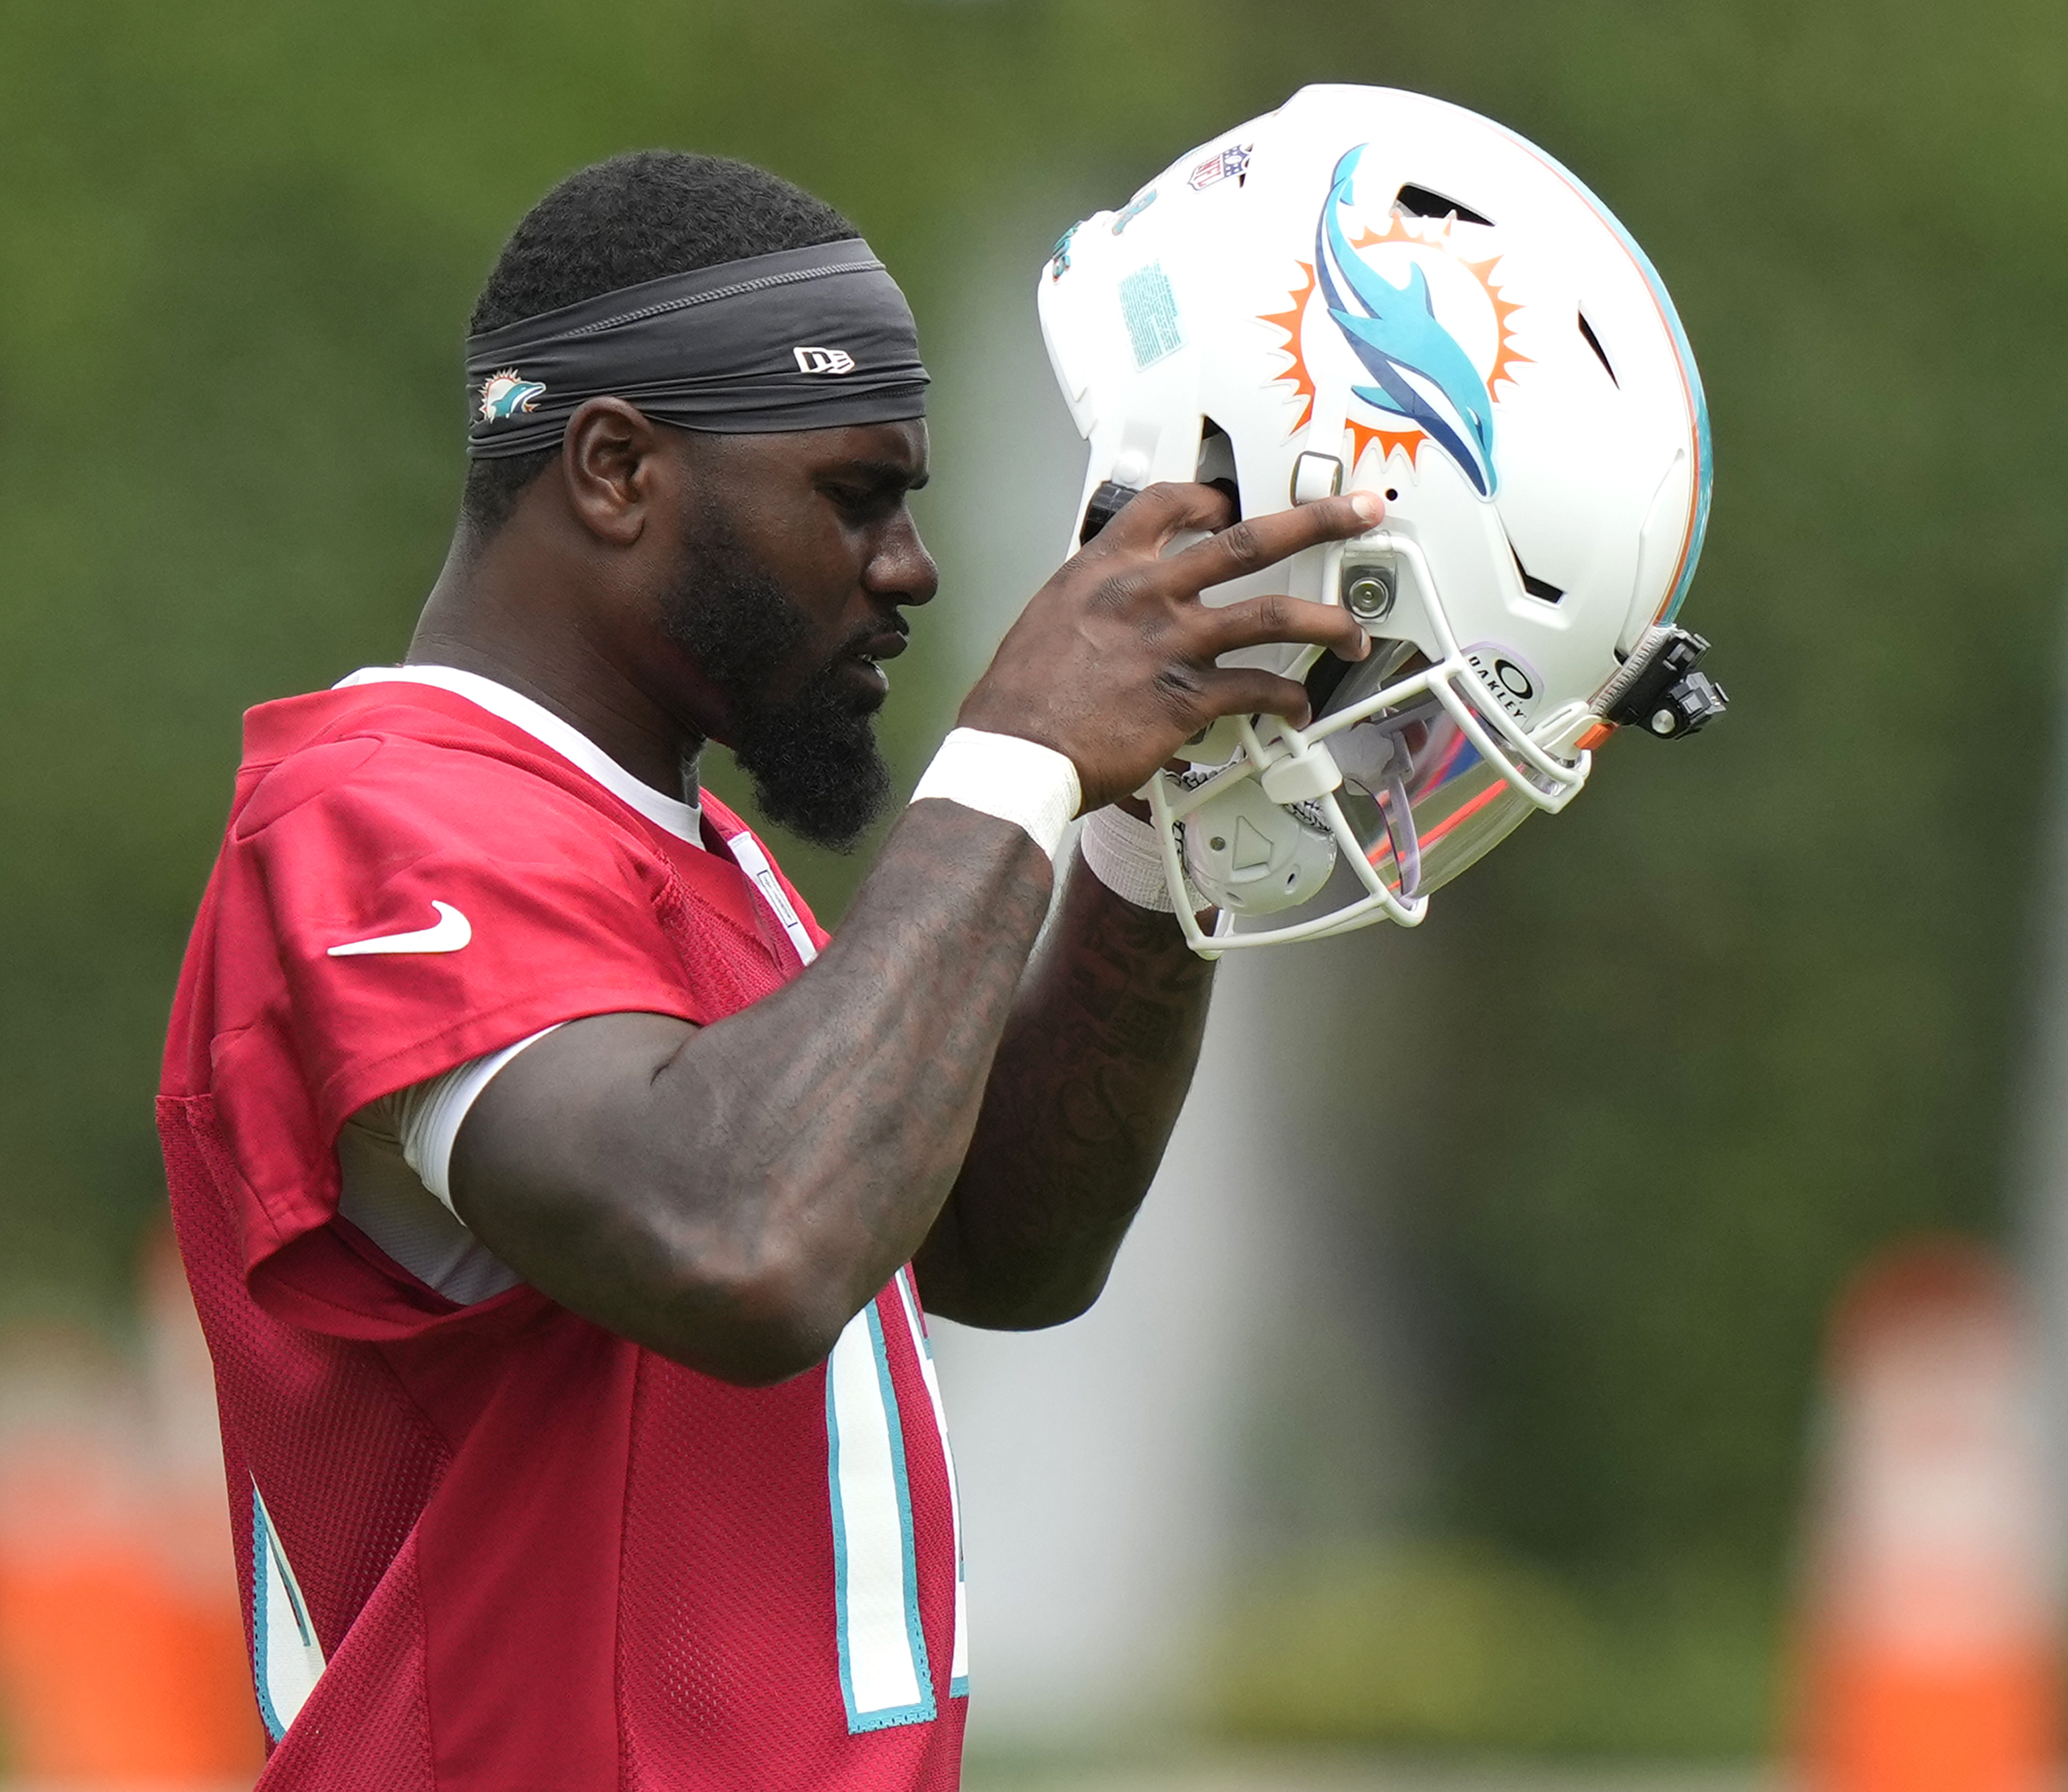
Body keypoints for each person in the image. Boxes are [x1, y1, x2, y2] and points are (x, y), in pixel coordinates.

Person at [156, 149, 1380, 1791]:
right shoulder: (378, 812)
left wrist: (1160, 839)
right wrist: (1013, 755)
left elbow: (1006, 1245)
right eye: (854, 496)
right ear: (611, 470)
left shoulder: (691, 861)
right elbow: (736, 1244)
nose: (912, 567)